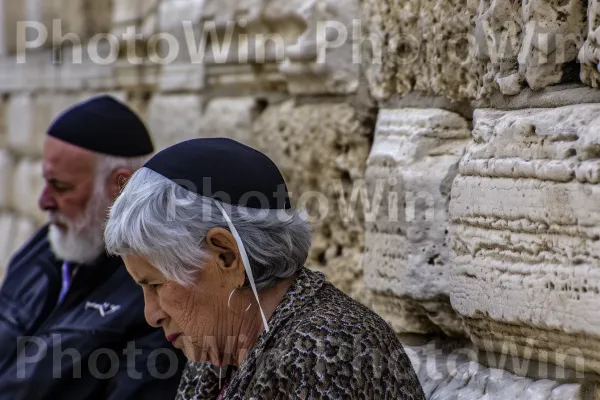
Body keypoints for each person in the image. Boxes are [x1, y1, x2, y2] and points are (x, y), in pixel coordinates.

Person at [103, 137, 426, 399]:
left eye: (156, 285)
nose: (151, 314)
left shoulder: (326, 352)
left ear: (226, 256)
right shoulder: (221, 350)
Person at [0, 95, 186, 399]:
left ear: (120, 186)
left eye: (61, 187)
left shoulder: (154, 291)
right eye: (46, 183)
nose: (43, 201)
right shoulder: (45, 248)